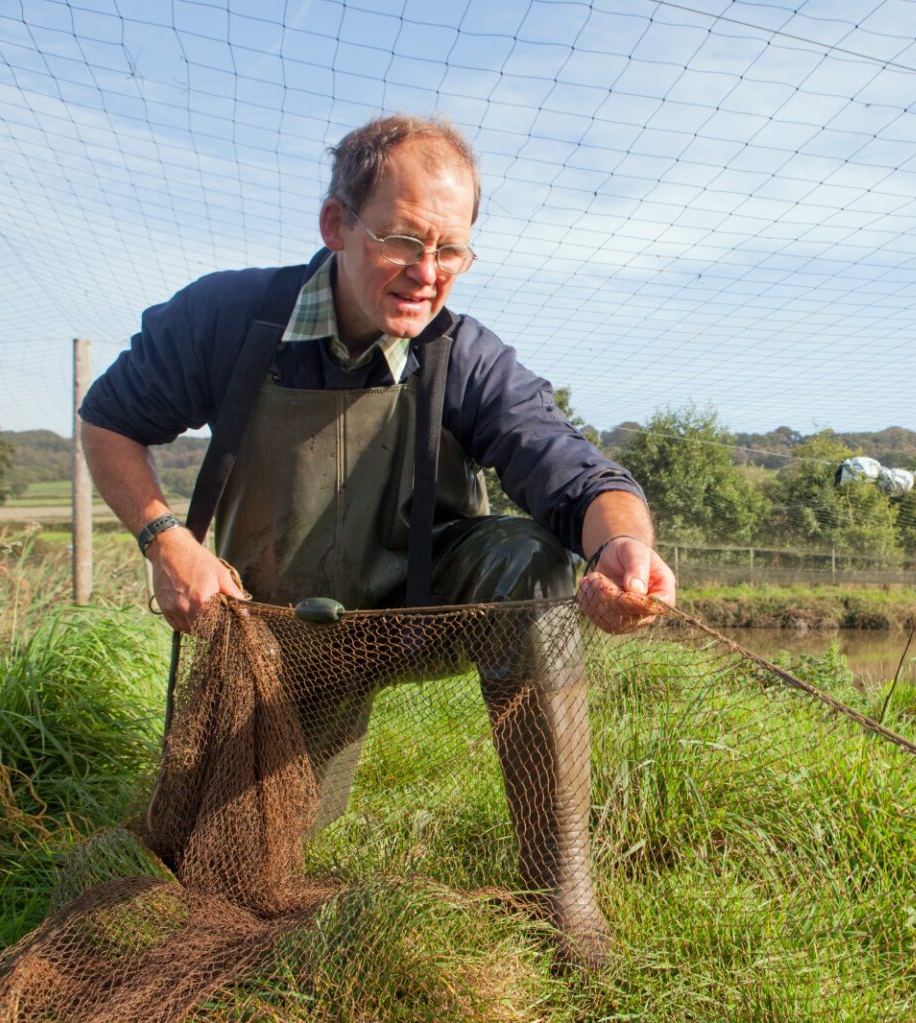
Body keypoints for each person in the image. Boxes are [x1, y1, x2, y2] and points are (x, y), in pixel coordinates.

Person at [79, 114, 676, 968]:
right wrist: (165, 537)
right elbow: (107, 422)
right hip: (271, 633)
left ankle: (564, 900)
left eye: (452, 251)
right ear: (336, 226)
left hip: (413, 613)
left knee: (539, 569)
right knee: (230, 873)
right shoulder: (227, 319)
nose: (427, 274)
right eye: (403, 241)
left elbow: (579, 476)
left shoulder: (464, 355)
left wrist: (624, 547)